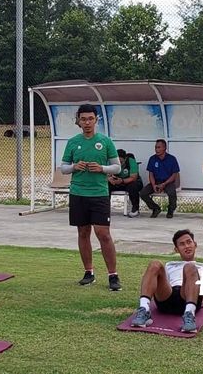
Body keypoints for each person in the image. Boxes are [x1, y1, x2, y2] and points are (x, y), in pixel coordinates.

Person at [61, 104, 123, 291]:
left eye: (90, 118)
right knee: (83, 233)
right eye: (83, 119)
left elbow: (117, 167)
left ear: (97, 120)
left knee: (103, 234)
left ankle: (113, 275)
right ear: (78, 121)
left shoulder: (105, 141)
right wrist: (74, 167)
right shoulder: (73, 142)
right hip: (78, 193)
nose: (87, 122)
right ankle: (89, 272)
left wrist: (102, 169)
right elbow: (64, 167)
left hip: (99, 194)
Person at [130, 229, 203, 333]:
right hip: (168, 297)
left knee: (190, 267)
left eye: (189, 242)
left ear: (195, 244)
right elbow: (161, 284)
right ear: (176, 249)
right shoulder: (170, 265)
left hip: (189, 298)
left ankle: (189, 315)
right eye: (182, 244)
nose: (187, 246)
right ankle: (144, 310)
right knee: (155, 264)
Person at [139, 139, 180, 218]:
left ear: (165, 148)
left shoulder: (172, 159)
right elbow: (151, 173)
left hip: (168, 182)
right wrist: (154, 185)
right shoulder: (152, 159)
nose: (156, 150)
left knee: (172, 192)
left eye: (159, 147)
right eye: (155, 147)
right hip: (156, 181)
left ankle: (170, 210)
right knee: (143, 193)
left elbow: (174, 174)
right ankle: (155, 208)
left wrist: (164, 184)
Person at [108, 149, 143, 217]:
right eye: (118, 162)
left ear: (125, 158)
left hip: (130, 181)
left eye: (121, 161)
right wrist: (110, 179)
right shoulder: (111, 161)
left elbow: (133, 177)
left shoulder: (131, 161)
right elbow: (106, 174)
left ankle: (135, 209)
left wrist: (122, 181)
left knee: (133, 186)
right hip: (117, 182)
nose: (119, 163)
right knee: (106, 185)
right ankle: (105, 207)